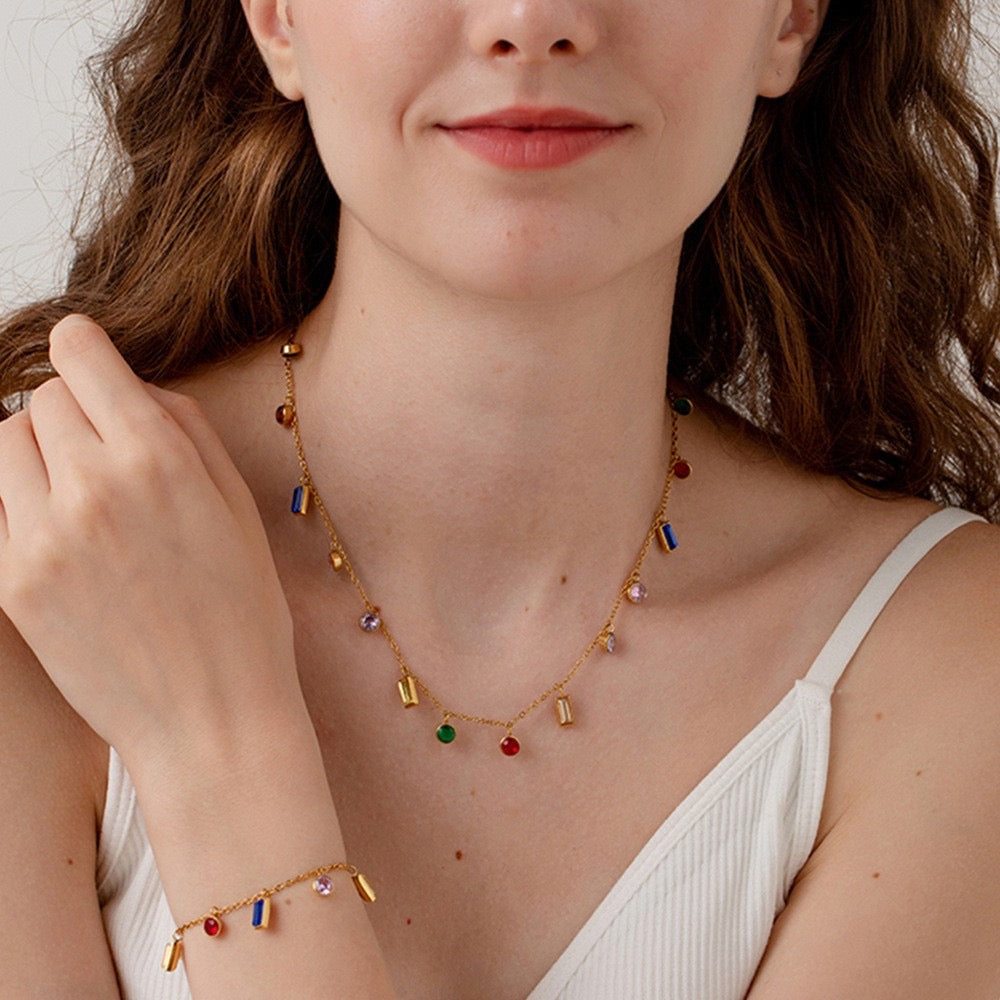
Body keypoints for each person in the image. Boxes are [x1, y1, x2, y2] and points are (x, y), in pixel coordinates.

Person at [0, 0, 998, 996]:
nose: (531, 21)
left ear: (789, 20)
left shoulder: (946, 657)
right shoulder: (38, 560)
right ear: (276, 18)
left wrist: (215, 746)